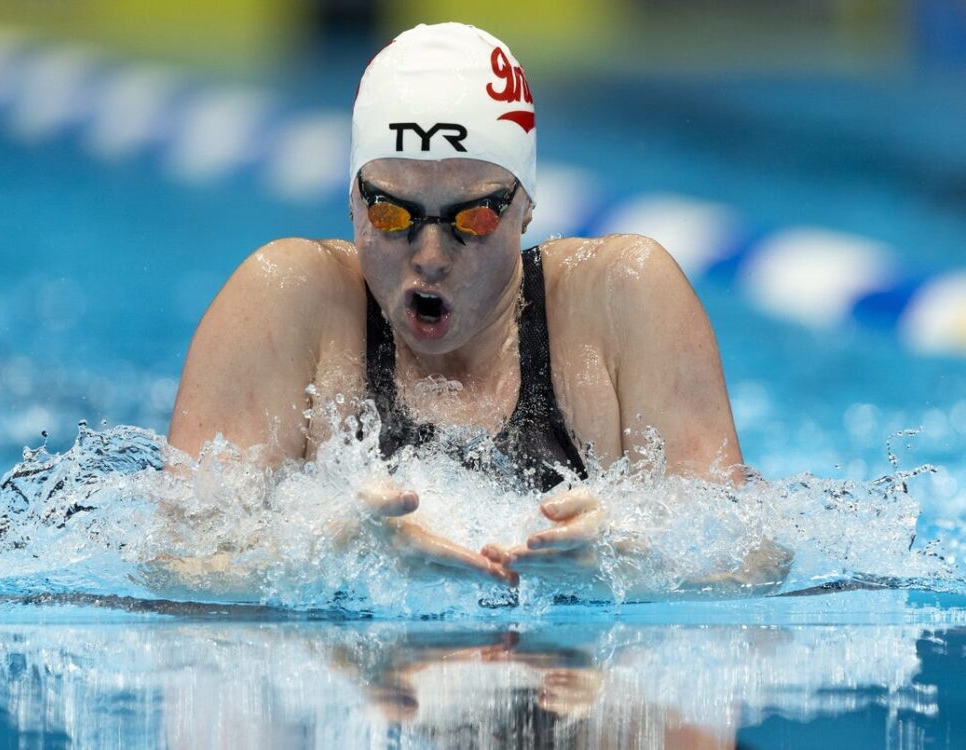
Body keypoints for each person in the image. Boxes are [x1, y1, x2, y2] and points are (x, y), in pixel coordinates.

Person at [168, 22, 784, 591]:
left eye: (475, 216)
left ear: (527, 206)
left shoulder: (624, 297)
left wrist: (630, 554)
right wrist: (333, 552)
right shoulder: (284, 299)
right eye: (390, 213)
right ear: (352, 201)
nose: (431, 255)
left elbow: (754, 560)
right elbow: (172, 562)